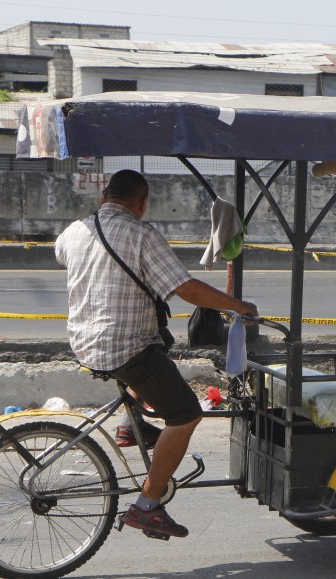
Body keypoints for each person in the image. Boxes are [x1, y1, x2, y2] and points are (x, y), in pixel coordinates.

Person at [55, 170, 257, 540]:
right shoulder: (142, 234)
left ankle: (129, 425)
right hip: (124, 347)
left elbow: (63, 255)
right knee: (185, 414)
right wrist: (237, 305)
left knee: (160, 342)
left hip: (84, 342)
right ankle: (147, 505)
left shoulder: (74, 231)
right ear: (142, 202)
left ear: (104, 197)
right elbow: (186, 289)